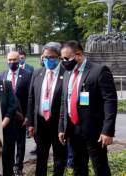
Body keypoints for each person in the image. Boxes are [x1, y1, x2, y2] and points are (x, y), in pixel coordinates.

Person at [58, 40, 117, 176]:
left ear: (78, 54)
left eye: (67, 58)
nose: (64, 61)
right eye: (62, 58)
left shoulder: (99, 71)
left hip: (94, 130)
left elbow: (110, 102)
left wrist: (107, 131)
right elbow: (64, 102)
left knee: (100, 166)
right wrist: (62, 127)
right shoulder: (67, 74)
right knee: (78, 167)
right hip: (73, 129)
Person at [27, 42, 67, 176]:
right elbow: (31, 99)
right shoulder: (37, 73)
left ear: (59, 58)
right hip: (40, 122)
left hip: (58, 123)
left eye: (51, 57)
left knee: (59, 158)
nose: (47, 60)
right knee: (41, 157)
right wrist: (31, 123)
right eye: (45, 57)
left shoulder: (66, 73)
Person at [0, 51, 32, 175]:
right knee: (9, 142)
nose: (12, 62)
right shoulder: (1, 75)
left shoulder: (28, 75)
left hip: (21, 116)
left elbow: (30, 97)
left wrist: (28, 115)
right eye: (10, 60)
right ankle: (10, 165)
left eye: (15, 60)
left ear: (19, 60)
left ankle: (18, 166)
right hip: (6, 116)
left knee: (21, 142)